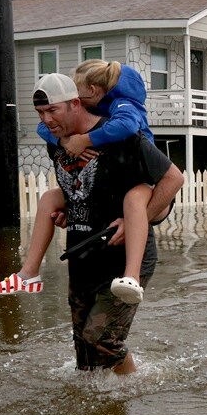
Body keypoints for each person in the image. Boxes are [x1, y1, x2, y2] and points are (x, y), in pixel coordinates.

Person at [0, 73, 184, 373]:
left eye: (52, 110)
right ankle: (97, 407)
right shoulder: (56, 141)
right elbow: (79, 188)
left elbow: (173, 179)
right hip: (83, 255)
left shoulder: (120, 135)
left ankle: (131, 390)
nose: (47, 119)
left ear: (75, 104)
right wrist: (71, 210)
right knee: (85, 353)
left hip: (123, 259)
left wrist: (138, 219)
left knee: (102, 339)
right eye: (41, 113)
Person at [55, 60, 156, 303]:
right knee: (50, 198)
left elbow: (127, 126)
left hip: (144, 179)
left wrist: (86, 140)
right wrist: (63, 141)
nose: (74, 98)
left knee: (133, 201)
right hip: (112, 193)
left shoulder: (124, 104)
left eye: (77, 92)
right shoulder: (101, 107)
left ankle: (132, 277)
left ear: (92, 90)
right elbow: (44, 128)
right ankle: (29, 271)